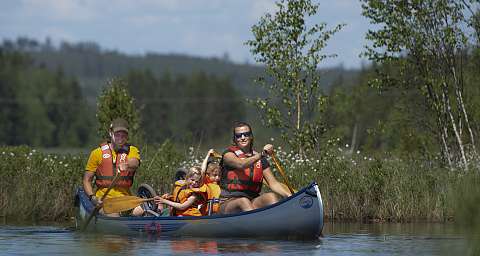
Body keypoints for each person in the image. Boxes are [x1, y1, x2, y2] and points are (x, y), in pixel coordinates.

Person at [219, 121, 292, 214]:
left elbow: (273, 183)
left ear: (251, 136)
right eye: (239, 135)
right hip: (228, 202)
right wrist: (261, 155)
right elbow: (241, 164)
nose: (242, 138)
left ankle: (276, 222)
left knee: (271, 197)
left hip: (252, 201)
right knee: (243, 201)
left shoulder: (261, 160)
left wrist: (289, 195)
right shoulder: (228, 155)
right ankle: (257, 224)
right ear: (234, 139)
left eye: (246, 134)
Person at [82, 117, 141, 217]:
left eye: (124, 135)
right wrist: (93, 198)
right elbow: (86, 180)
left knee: (140, 211)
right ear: (110, 133)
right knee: (114, 215)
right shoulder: (97, 153)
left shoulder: (132, 150)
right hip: (105, 200)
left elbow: (135, 162)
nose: (120, 138)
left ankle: (133, 227)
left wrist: (126, 165)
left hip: (125, 199)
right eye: (117, 134)